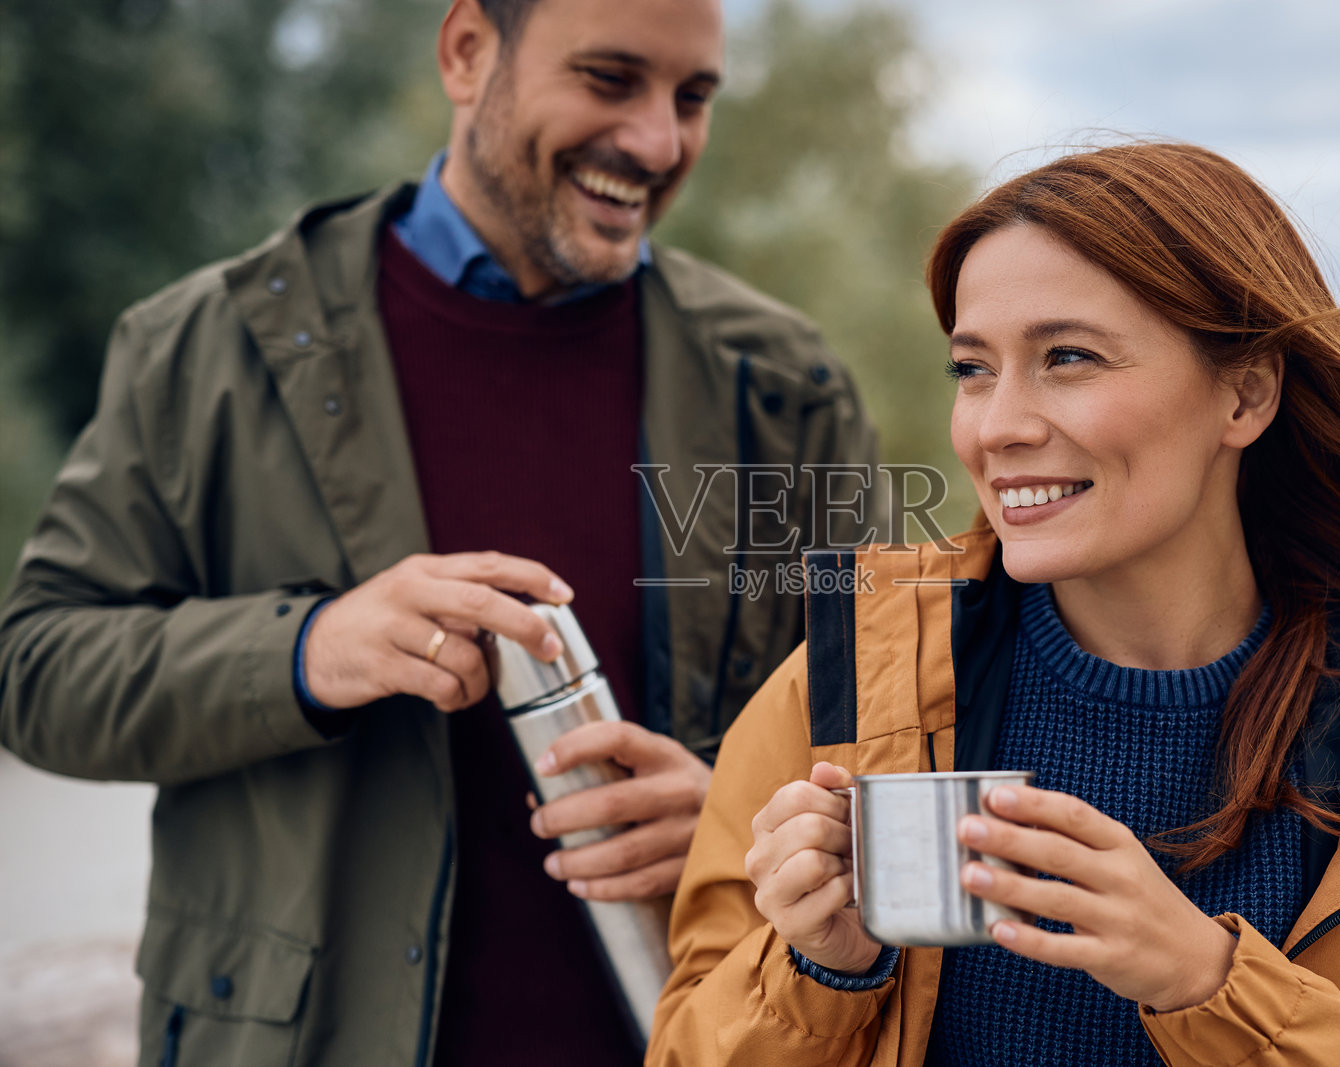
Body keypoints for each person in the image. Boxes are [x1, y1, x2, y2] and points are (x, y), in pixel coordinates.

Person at [0, 0, 880, 1063]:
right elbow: (36, 669)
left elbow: (883, 721)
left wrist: (741, 811)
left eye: (691, 97)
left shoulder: (789, 385)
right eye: (610, 79)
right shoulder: (202, 345)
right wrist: (308, 648)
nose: (657, 141)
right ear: (467, 52)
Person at [645, 141, 1340, 1066]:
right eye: (972, 369)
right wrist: (817, 968)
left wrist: (1206, 981)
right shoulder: (847, 684)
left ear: (1247, 394)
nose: (999, 427)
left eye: (1068, 357)